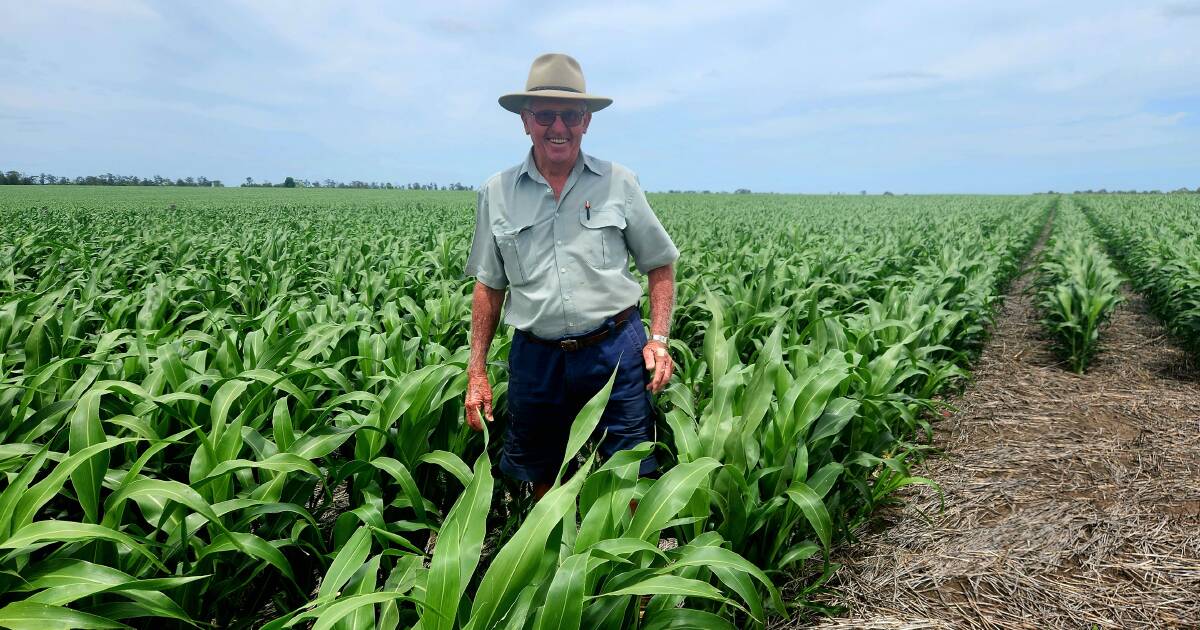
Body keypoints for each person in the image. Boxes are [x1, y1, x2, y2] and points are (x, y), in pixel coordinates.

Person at [464, 53, 679, 499]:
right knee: (542, 477)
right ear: (526, 121)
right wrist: (477, 372)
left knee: (631, 476)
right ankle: (553, 563)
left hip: (615, 351)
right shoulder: (497, 193)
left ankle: (629, 566)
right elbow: (488, 286)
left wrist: (658, 340)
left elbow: (660, 263)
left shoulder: (619, 182)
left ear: (586, 121)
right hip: (536, 358)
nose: (557, 126)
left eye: (571, 115)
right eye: (545, 115)